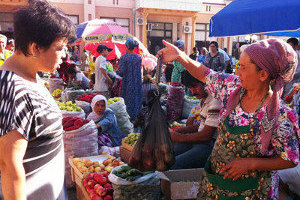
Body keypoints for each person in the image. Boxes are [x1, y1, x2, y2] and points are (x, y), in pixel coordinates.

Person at [157, 38, 299, 199]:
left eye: (244, 67)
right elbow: (205, 73)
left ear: (263, 74)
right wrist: (180, 56)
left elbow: (290, 159)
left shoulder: (281, 115)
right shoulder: (232, 88)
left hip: (253, 189)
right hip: (217, 183)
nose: (237, 72)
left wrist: (251, 163)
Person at [0, 0, 75, 199]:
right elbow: (9, 166)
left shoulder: (32, 76)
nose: (64, 54)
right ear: (35, 48)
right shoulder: (12, 89)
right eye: (59, 47)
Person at [170, 70, 221, 169]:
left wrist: (179, 137)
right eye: (190, 88)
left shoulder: (214, 102)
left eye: (195, 86)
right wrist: (181, 130)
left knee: (173, 165)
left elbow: (207, 135)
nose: (193, 91)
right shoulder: (204, 99)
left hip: (209, 146)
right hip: (199, 141)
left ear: (204, 83)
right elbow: (206, 125)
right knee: (167, 157)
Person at [117, 38, 142, 121]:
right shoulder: (138, 57)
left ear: (126, 46)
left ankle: (128, 119)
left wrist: (114, 72)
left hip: (127, 83)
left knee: (127, 101)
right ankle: (137, 118)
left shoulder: (124, 58)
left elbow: (121, 72)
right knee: (136, 99)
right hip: (137, 82)